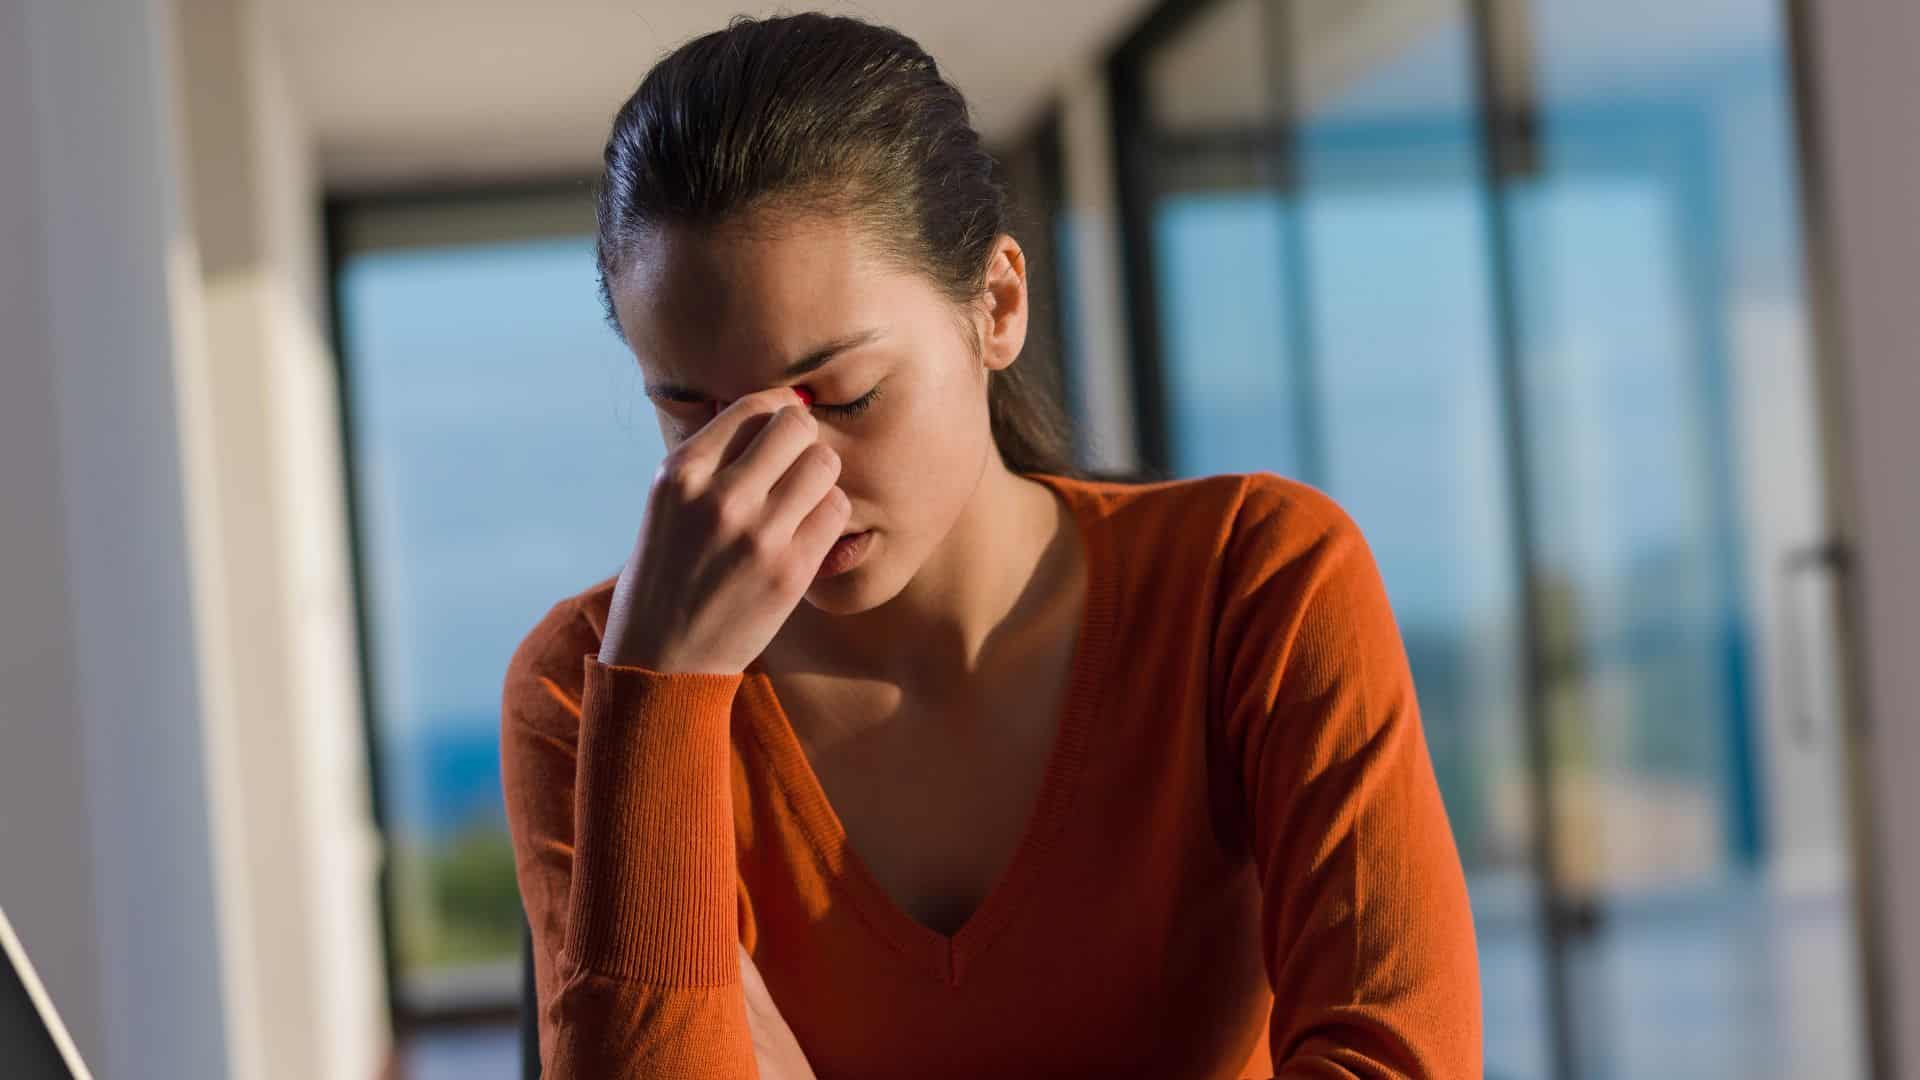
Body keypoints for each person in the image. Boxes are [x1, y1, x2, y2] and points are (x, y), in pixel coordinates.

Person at [500, 12, 1480, 1078]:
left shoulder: (1254, 580)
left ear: (998, 305)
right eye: (697, 417)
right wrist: (662, 691)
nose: (784, 475)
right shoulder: (585, 690)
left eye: (845, 394)